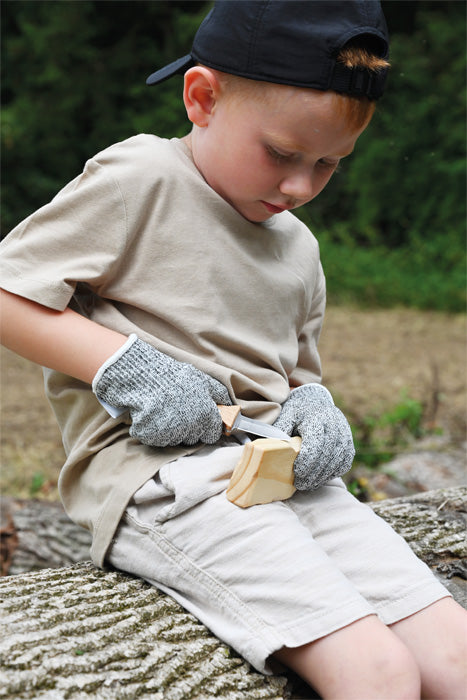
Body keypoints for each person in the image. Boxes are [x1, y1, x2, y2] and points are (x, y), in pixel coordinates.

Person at [1, 2, 466, 697]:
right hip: (163, 483)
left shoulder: (298, 247)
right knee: (380, 675)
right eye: (281, 154)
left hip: (280, 479)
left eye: (328, 165)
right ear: (202, 97)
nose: (299, 187)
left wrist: (315, 413)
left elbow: (297, 376)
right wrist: (124, 365)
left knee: (453, 658)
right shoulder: (141, 179)